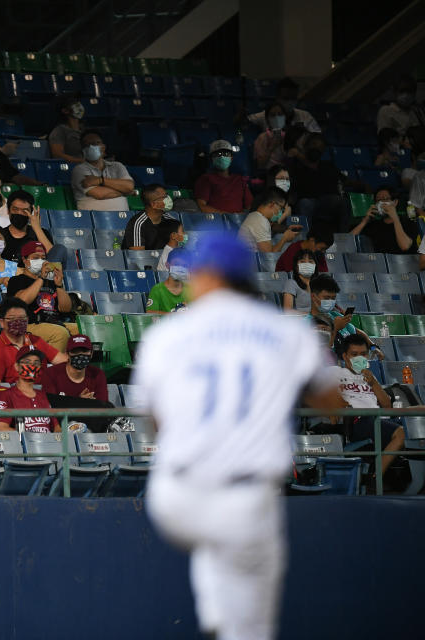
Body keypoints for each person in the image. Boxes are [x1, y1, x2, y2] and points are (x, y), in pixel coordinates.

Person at [133, 230, 338, 640]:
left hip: (173, 495)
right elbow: (332, 406)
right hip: (241, 497)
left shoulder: (166, 335)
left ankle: (215, 618)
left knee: (215, 548)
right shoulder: (287, 331)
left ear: (208, 276)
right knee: (250, 617)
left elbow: (152, 421)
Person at [328, 334, 405, 473]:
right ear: (345, 357)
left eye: (363, 354)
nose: (359, 358)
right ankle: (376, 479)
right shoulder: (335, 372)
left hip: (379, 419)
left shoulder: (369, 376)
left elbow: (387, 406)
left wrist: (374, 383)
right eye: (354, 354)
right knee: (400, 433)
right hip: (356, 421)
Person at [7, 241, 76, 352]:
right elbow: (22, 301)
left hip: (53, 322)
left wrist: (59, 285)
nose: (41, 261)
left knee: (83, 329)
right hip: (29, 325)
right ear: (25, 260)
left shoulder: (51, 281)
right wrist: (41, 278)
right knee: (60, 333)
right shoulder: (17, 280)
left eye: (43, 258)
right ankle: (54, 367)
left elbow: (65, 308)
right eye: (36, 257)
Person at [0, 298, 64, 384]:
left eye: (22, 318)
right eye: (12, 319)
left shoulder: (36, 340)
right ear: (2, 323)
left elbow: (63, 361)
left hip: (44, 392)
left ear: (27, 320)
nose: (17, 322)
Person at [287, 133, 351, 232]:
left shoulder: (327, 165)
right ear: (306, 146)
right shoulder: (296, 163)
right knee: (306, 204)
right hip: (304, 200)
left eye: (320, 147)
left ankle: (344, 239)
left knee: (342, 201)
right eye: (314, 144)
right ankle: (302, 241)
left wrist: (364, 185)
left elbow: (345, 180)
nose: (316, 148)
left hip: (326, 202)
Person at [0, 346, 60, 433]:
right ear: (17, 366)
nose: (32, 366)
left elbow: (57, 428)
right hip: (23, 444)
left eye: (36, 363)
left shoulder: (45, 395)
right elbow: (2, 428)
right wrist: (29, 438)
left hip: (48, 444)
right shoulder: (6, 396)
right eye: (27, 362)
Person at [306, 273, 377, 351]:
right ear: (313, 297)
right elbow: (320, 354)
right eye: (326, 297)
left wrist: (373, 347)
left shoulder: (336, 315)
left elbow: (357, 332)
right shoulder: (307, 323)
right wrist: (335, 328)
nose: (330, 301)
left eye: (333, 298)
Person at [71, 129, 134, 211]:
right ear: (82, 151)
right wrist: (126, 192)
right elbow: (100, 194)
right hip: (92, 219)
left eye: (96, 143)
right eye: (87, 145)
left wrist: (100, 180)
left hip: (123, 219)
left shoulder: (117, 166)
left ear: (103, 147)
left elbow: (129, 186)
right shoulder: (79, 170)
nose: (91, 147)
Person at [0, 190, 64, 263]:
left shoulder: (42, 233)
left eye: (25, 210)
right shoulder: (0, 235)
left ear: (31, 213)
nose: (19, 213)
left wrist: (37, 228)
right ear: (8, 211)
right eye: (15, 209)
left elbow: (52, 259)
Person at [41, 335, 109, 402]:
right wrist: (79, 401)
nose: (80, 355)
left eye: (84, 351)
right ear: (67, 354)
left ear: (91, 354)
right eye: (75, 351)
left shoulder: (98, 374)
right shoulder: (51, 373)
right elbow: (49, 405)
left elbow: (103, 406)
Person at [349, 187, 416, 254]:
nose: (381, 203)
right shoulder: (374, 225)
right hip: (380, 262)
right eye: (378, 200)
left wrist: (395, 219)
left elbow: (405, 246)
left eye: (385, 199)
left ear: (395, 202)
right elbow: (348, 241)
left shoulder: (408, 222)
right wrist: (364, 221)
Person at [237, 186, 302, 253]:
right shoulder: (260, 221)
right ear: (272, 204)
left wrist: (287, 230)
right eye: (281, 208)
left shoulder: (255, 215)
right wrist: (284, 238)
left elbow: (271, 226)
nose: (281, 212)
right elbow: (269, 257)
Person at [195, 140, 252, 213]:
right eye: (218, 154)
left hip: (239, 221)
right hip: (215, 222)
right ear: (212, 159)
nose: (222, 157)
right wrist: (225, 215)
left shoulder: (240, 180)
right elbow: (201, 206)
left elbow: (249, 206)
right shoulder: (206, 179)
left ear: (231, 158)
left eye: (226, 154)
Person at [248, 77, 321, 133]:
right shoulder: (266, 115)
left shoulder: (305, 116)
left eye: (293, 98)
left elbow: (317, 136)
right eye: (286, 98)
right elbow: (246, 122)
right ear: (277, 98)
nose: (290, 102)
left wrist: (305, 133)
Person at [121, 184, 182, 250]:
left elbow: (180, 248)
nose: (169, 199)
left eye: (167, 195)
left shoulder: (171, 220)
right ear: (153, 204)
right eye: (164, 197)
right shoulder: (137, 223)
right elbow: (138, 256)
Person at [146, 248, 189, 314]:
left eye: (184, 265)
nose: (180, 268)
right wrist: (174, 315)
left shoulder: (191, 290)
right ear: (167, 265)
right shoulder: (157, 290)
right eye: (177, 264)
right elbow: (150, 313)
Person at [253, 102, 289, 171]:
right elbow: (260, 165)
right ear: (267, 119)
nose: (277, 118)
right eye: (273, 115)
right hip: (268, 175)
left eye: (280, 114)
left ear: (285, 117)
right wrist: (271, 147)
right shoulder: (262, 138)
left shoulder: (289, 136)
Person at [48, 96, 85, 163]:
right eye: (76, 106)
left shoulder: (85, 130)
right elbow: (57, 155)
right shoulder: (59, 131)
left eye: (79, 105)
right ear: (65, 111)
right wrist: (82, 162)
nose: (80, 108)